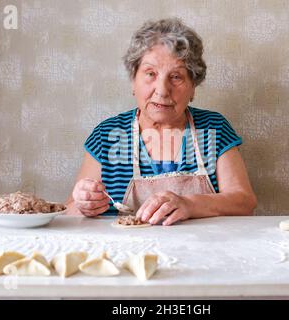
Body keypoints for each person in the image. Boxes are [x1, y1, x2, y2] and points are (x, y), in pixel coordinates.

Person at [66, 18, 257, 225]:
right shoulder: (106, 135)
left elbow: (244, 202)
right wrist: (83, 204)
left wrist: (189, 204)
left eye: (176, 77)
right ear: (133, 80)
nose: (162, 90)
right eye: (150, 73)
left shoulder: (214, 128)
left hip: (200, 252)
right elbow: (69, 210)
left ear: (193, 87)